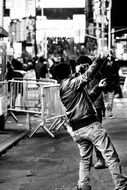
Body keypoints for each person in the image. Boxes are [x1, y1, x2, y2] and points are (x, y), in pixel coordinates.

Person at [53, 51, 127, 190]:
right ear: (68, 72)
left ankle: (83, 185)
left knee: (85, 159)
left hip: (78, 130)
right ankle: (121, 185)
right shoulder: (71, 84)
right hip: (90, 125)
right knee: (111, 155)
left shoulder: (64, 88)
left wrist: (98, 88)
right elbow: (88, 75)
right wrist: (99, 59)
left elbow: (88, 100)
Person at [76, 55, 106, 169]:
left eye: (85, 65)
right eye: (81, 65)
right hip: (82, 108)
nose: (83, 67)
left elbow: (98, 92)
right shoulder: (78, 76)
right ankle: (87, 160)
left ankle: (100, 159)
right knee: (84, 136)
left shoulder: (96, 74)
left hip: (94, 108)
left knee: (96, 135)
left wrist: (98, 108)